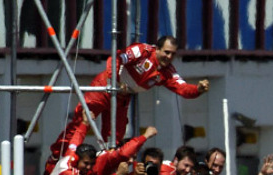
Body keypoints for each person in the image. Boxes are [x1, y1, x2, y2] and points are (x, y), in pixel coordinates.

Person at [52, 36, 209, 147]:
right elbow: (117, 58)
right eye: (166, 52)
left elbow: (183, 88)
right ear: (157, 48)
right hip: (105, 87)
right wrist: (116, 82)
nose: (169, 57)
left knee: (115, 138)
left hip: (123, 98)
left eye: (173, 54)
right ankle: (60, 157)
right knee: (82, 121)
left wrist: (198, 89)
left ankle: (105, 170)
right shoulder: (142, 51)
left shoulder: (168, 72)